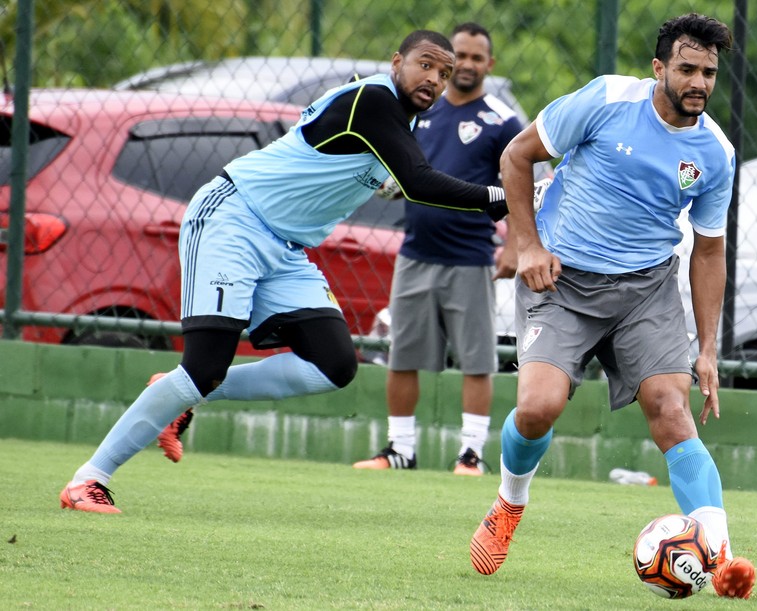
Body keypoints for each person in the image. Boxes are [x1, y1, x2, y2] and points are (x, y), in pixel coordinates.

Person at [59, 29, 510, 514]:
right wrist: (502, 199)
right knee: (204, 365)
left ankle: (180, 393)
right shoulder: (375, 99)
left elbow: (387, 176)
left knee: (333, 365)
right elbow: (419, 183)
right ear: (397, 61)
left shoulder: (399, 122)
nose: (435, 79)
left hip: (284, 247)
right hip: (233, 219)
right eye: (426, 64)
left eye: (443, 74)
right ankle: (90, 479)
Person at [466, 13, 757, 599]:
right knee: (538, 408)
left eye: (709, 72)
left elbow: (708, 252)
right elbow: (517, 158)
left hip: (645, 289)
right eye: (687, 69)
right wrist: (528, 246)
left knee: (670, 410)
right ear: (659, 69)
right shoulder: (604, 99)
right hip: (562, 280)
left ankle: (720, 557)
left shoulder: (715, 153)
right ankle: (508, 504)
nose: (699, 82)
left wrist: (706, 349)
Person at [352, 22, 523, 476]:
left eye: (474, 58)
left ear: (489, 64)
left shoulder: (502, 122)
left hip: (470, 258)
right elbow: (395, 170)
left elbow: (523, 184)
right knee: (402, 356)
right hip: (415, 253)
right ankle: (400, 450)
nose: (465, 65)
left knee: (476, 362)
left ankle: (471, 454)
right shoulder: (416, 111)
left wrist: (517, 245)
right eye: (458, 57)